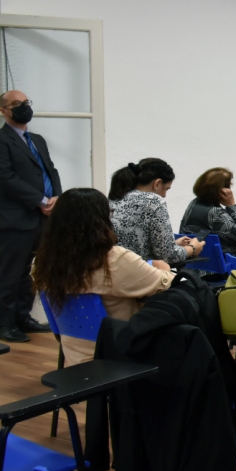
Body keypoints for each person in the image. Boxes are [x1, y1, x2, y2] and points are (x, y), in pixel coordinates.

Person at [33, 188, 174, 364]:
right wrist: (164, 268)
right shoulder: (113, 259)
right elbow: (166, 284)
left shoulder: (42, 262)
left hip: (73, 358)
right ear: (102, 219)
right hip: (119, 355)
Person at [0, 90, 62, 342]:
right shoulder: (2, 140)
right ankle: (4, 324)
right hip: (15, 219)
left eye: (26, 103)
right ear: (3, 111)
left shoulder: (37, 139)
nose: (24, 107)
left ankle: (23, 318)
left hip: (43, 217)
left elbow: (51, 170)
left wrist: (57, 198)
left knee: (31, 273)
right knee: (10, 274)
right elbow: (5, 178)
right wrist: (41, 200)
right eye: (17, 104)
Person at [109, 158, 205, 263]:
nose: (164, 195)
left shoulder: (116, 198)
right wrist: (193, 248)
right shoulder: (153, 201)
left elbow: (133, 245)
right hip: (141, 274)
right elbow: (168, 256)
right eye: (166, 189)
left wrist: (173, 244)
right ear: (157, 183)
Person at [179, 167, 236, 259]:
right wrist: (232, 206)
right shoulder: (215, 212)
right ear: (220, 190)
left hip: (197, 263)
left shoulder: (194, 203)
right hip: (223, 263)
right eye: (227, 186)